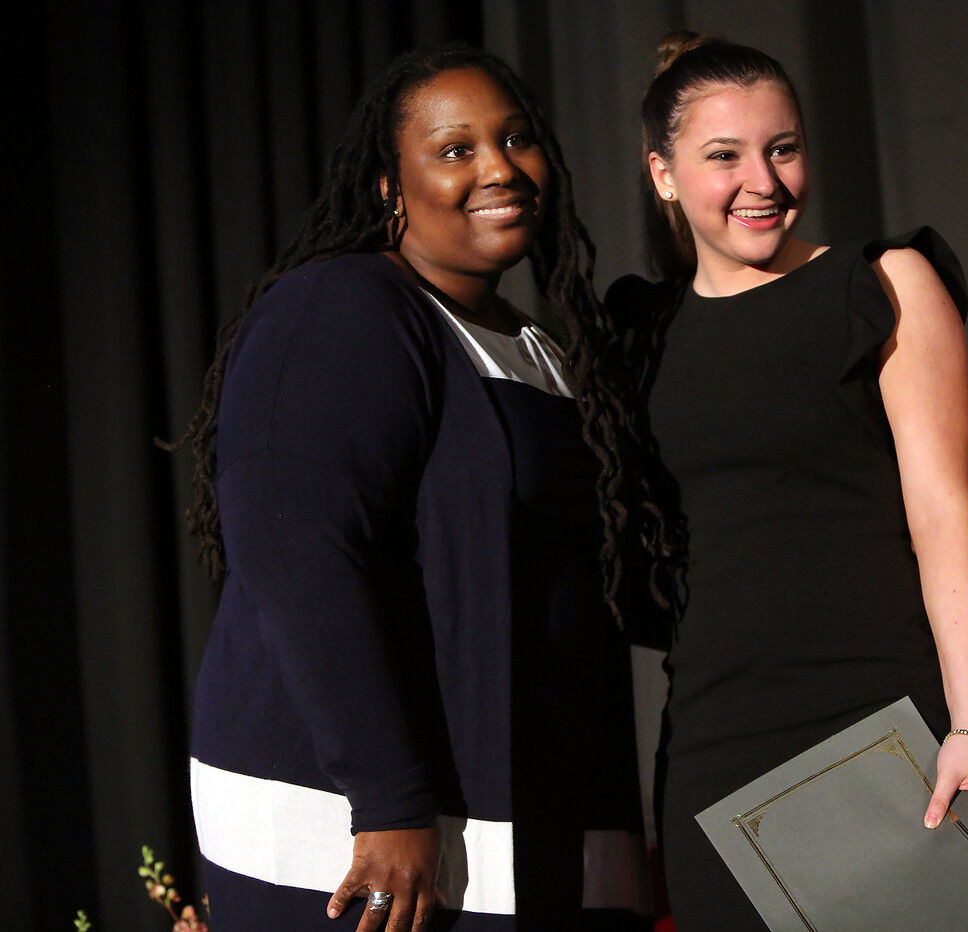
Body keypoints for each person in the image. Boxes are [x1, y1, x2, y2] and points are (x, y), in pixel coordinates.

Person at [167, 45, 663, 931]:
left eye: (516, 139)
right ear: (389, 186)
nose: (498, 167)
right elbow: (296, 554)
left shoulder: (538, 348)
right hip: (356, 827)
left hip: (513, 800)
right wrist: (388, 801)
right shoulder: (345, 306)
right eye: (454, 149)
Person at [605, 33, 968, 928]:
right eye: (723, 156)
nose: (763, 181)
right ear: (661, 173)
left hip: (877, 723)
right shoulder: (639, 332)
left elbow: (943, 517)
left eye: (782, 148)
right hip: (713, 739)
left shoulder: (881, 286)